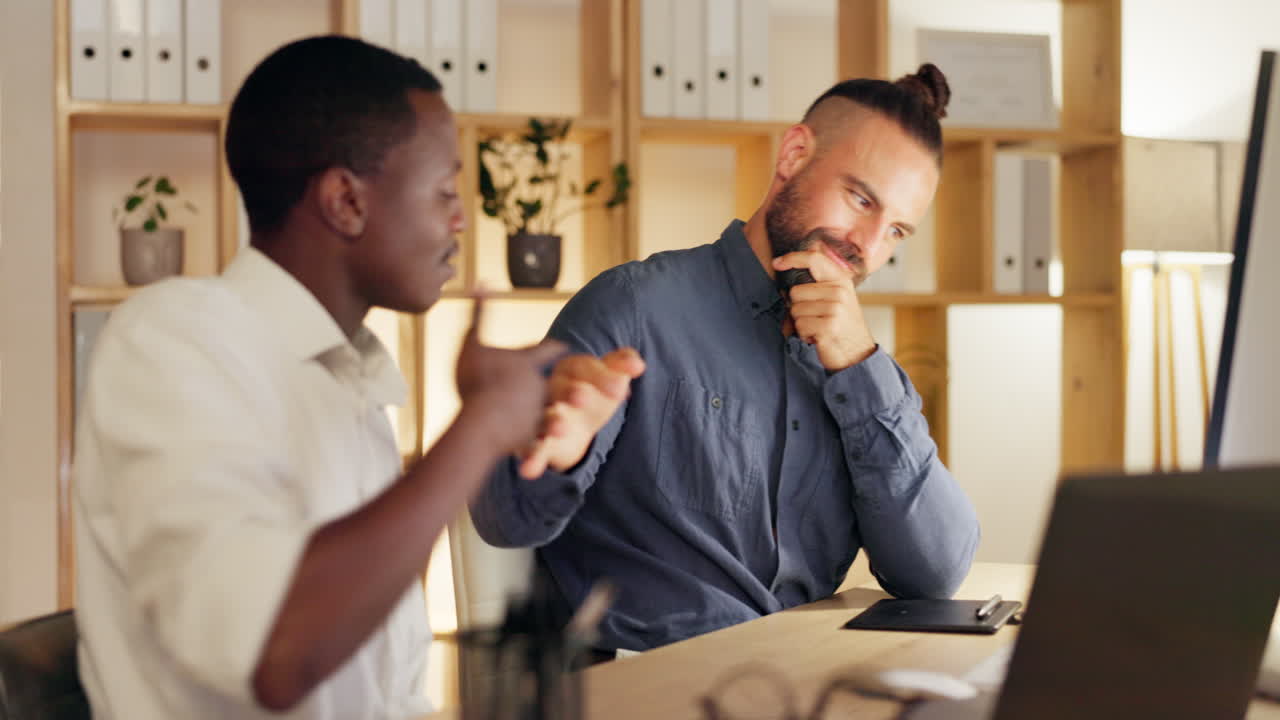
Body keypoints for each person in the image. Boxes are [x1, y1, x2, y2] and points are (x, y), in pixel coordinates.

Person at [72, 36, 565, 718]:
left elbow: (390, 691)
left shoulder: (350, 380)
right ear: (345, 201)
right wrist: (478, 429)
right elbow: (273, 653)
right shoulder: (172, 339)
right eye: (446, 190)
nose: (460, 220)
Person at [471, 64, 981, 655]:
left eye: (896, 230)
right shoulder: (635, 308)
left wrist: (859, 369)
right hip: (652, 685)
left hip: (800, 680)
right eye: (859, 198)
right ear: (793, 155)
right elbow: (504, 524)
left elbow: (935, 573)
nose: (867, 247)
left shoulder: (863, 367)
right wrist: (556, 451)